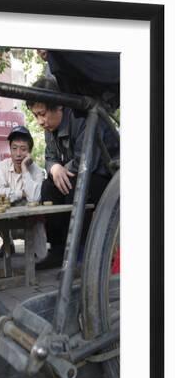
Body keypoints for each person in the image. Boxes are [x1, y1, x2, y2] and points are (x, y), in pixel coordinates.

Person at [27, 76, 120, 269]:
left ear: (59, 106)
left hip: (105, 177)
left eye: (42, 114)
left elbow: (86, 162)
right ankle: (58, 250)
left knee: (75, 187)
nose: (40, 121)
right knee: (48, 187)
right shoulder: (49, 128)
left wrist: (62, 169)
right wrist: (54, 168)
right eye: (36, 116)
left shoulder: (82, 117)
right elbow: (50, 157)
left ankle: (79, 254)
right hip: (77, 172)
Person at [0, 126, 47, 261]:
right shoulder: (3, 166)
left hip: (30, 223)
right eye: (14, 148)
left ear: (29, 152)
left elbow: (34, 198)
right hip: (8, 222)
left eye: (23, 149)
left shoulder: (38, 171)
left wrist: (24, 170)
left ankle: (36, 250)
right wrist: (20, 193)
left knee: (41, 259)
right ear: (10, 149)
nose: (18, 154)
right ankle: (8, 243)